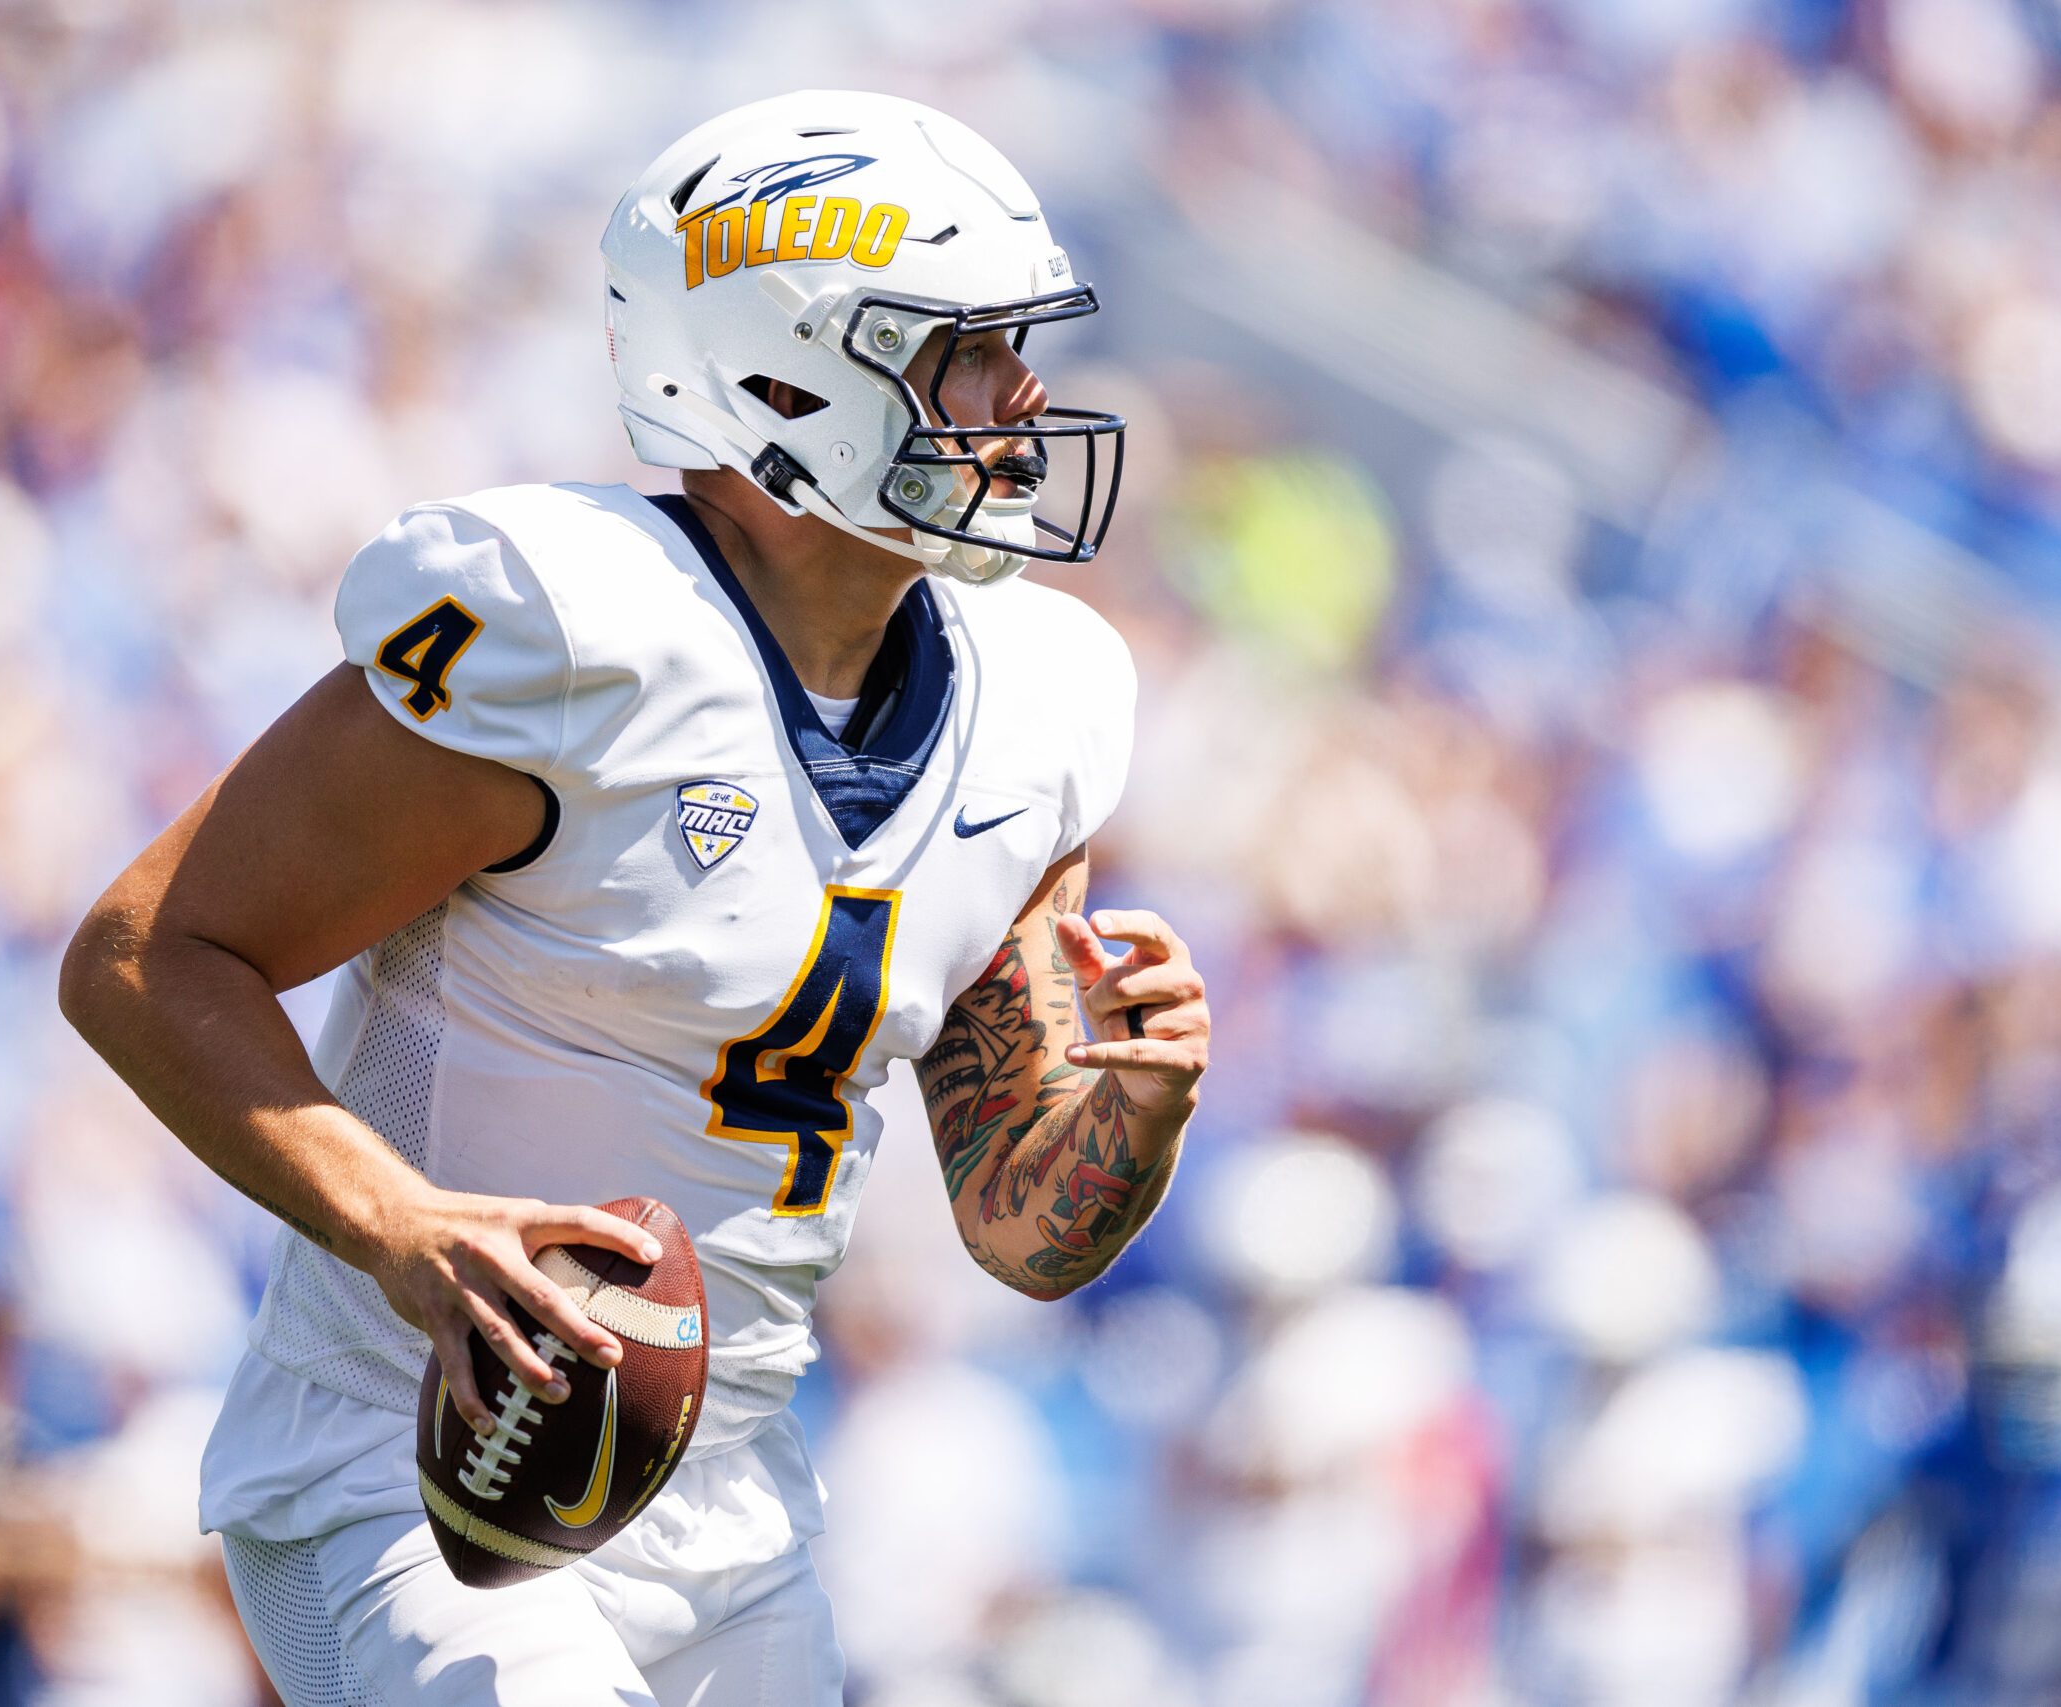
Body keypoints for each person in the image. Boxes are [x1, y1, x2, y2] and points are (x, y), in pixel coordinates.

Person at [59, 89, 1211, 1707]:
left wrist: (1135, 1116)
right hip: (421, 1459)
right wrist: (396, 1222)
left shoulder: (1042, 699)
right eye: (961, 349)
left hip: (731, 1502)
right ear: (787, 368)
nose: (1024, 400)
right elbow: (145, 956)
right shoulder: (574, 640)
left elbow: (1022, 1231)